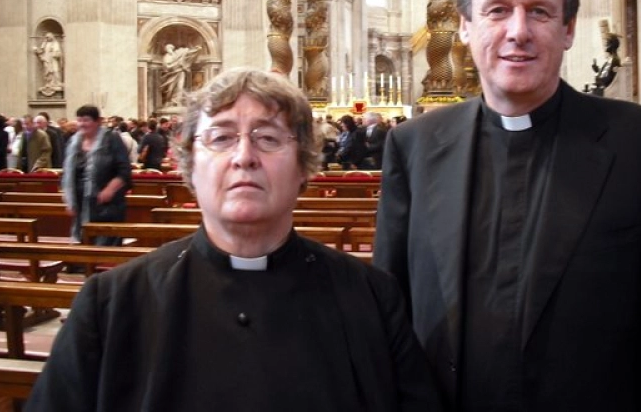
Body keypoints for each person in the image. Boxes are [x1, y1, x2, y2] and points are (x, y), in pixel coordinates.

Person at [374, 0, 641, 411]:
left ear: (568, 29)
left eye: (539, 11)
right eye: (497, 10)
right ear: (464, 26)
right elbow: (389, 320)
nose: (518, 30)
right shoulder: (413, 146)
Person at [27, 67, 443, 411]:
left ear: (305, 166)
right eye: (222, 137)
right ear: (189, 166)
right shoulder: (110, 303)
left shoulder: (371, 298)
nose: (245, 156)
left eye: (267, 138)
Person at [61, 105, 132, 245]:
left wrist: (110, 189)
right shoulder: (73, 142)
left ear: (97, 121)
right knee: (82, 246)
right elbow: (68, 173)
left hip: (106, 206)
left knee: (104, 248)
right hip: (81, 204)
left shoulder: (111, 139)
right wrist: (69, 198)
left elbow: (124, 170)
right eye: (79, 120)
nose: (82, 124)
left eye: (86, 120)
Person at [161, 43, 201, 107]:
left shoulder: (177, 54)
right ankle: (170, 101)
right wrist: (177, 64)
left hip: (180, 73)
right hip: (171, 75)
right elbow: (167, 67)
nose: (170, 50)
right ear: (166, 50)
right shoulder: (166, 57)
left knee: (180, 87)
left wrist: (196, 49)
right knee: (170, 89)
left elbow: (188, 53)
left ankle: (177, 101)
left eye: (171, 48)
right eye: (169, 48)